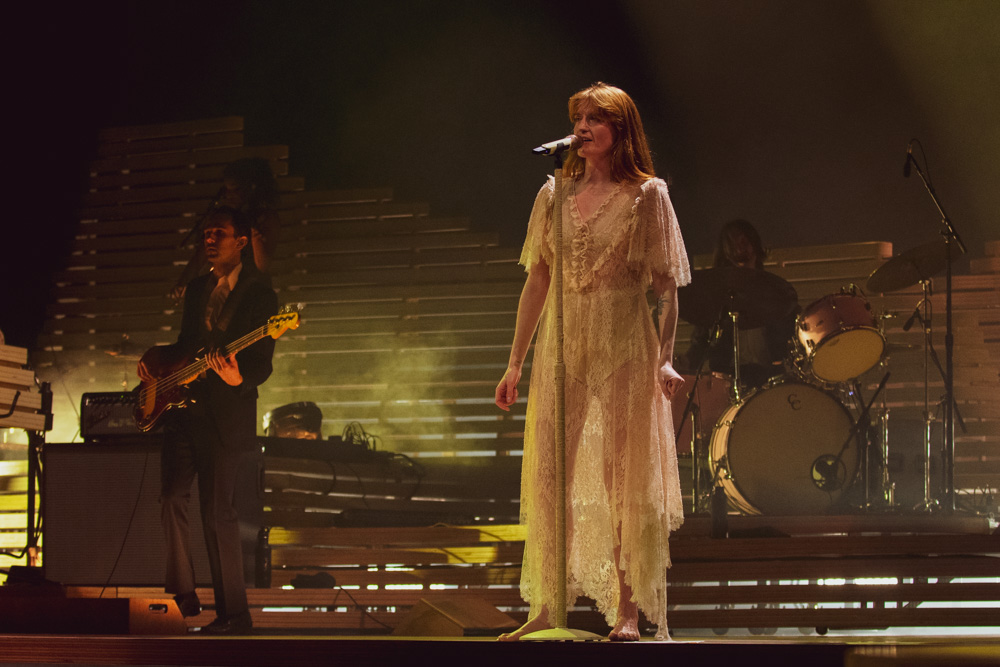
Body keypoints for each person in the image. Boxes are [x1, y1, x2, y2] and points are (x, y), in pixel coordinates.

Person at [494, 82, 690, 641]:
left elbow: (666, 287)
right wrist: (514, 364)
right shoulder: (552, 194)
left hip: (625, 341)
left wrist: (667, 360)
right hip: (564, 346)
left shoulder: (647, 195)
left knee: (621, 478)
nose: (582, 127)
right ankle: (549, 607)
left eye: (595, 118)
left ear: (620, 130)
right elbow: (538, 279)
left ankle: (628, 612)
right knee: (552, 475)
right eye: (577, 117)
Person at [139, 206, 278, 635]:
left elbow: (262, 360)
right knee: (169, 498)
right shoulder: (199, 288)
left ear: (241, 241)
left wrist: (238, 377)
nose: (210, 239)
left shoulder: (260, 293)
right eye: (206, 233)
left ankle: (235, 614)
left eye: (220, 232)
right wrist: (155, 360)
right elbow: (187, 344)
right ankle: (184, 592)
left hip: (225, 418)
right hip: (183, 410)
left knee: (219, 515)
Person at [683, 219, 797, 390]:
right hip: (727, 380)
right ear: (726, 251)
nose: (740, 248)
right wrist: (684, 362)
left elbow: (789, 337)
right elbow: (701, 341)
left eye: (744, 242)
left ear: (754, 244)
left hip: (770, 379)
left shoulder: (775, 293)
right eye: (733, 244)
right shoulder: (716, 297)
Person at [171, 158, 281, 299]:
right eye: (226, 190)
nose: (229, 195)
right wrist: (183, 282)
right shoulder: (224, 217)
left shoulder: (265, 218)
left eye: (235, 189)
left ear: (251, 187)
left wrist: (255, 236)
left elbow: (263, 266)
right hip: (224, 290)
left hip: (253, 292)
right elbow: (200, 256)